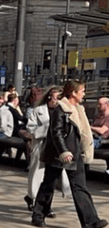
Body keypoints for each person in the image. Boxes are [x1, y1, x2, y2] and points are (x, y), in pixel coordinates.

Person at [32, 80, 108, 228]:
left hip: (75, 154)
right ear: (73, 93)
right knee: (49, 184)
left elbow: (83, 133)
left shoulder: (79, 109)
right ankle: (38, 215)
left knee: (80, 187)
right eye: (82, 91)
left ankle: (89, 222)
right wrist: (63, 151)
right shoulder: (60, 110)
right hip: (58, 155)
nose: (84, 94)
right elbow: (56, 132)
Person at [24, 86, 70, 214]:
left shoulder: (64, 110)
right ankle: (32, 198)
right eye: (57, 95)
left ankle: (46, 206)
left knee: (51, 177)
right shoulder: (38, 110)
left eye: (61, 96)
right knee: (37, 174)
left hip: (56, 147)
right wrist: (48, 128)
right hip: (41, 144)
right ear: (50, 95)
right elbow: (30, 128)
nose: (58, 98)